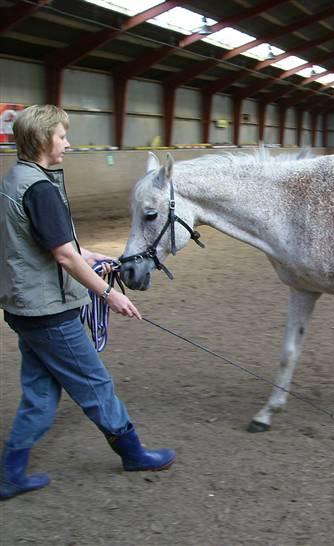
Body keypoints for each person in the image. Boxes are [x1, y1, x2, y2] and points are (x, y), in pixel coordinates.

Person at [0, 105, 175, 500]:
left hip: (24, 306)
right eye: (62, 136)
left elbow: (44, 243)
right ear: (45, 139)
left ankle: (10, 473)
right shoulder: (41, 188)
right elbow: (62, 256)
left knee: (41, 392)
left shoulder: (16, 179)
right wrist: (108, 292)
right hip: (48, 310)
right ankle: (133, 454)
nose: (67, 143)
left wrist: (88, 253)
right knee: (95, 383)